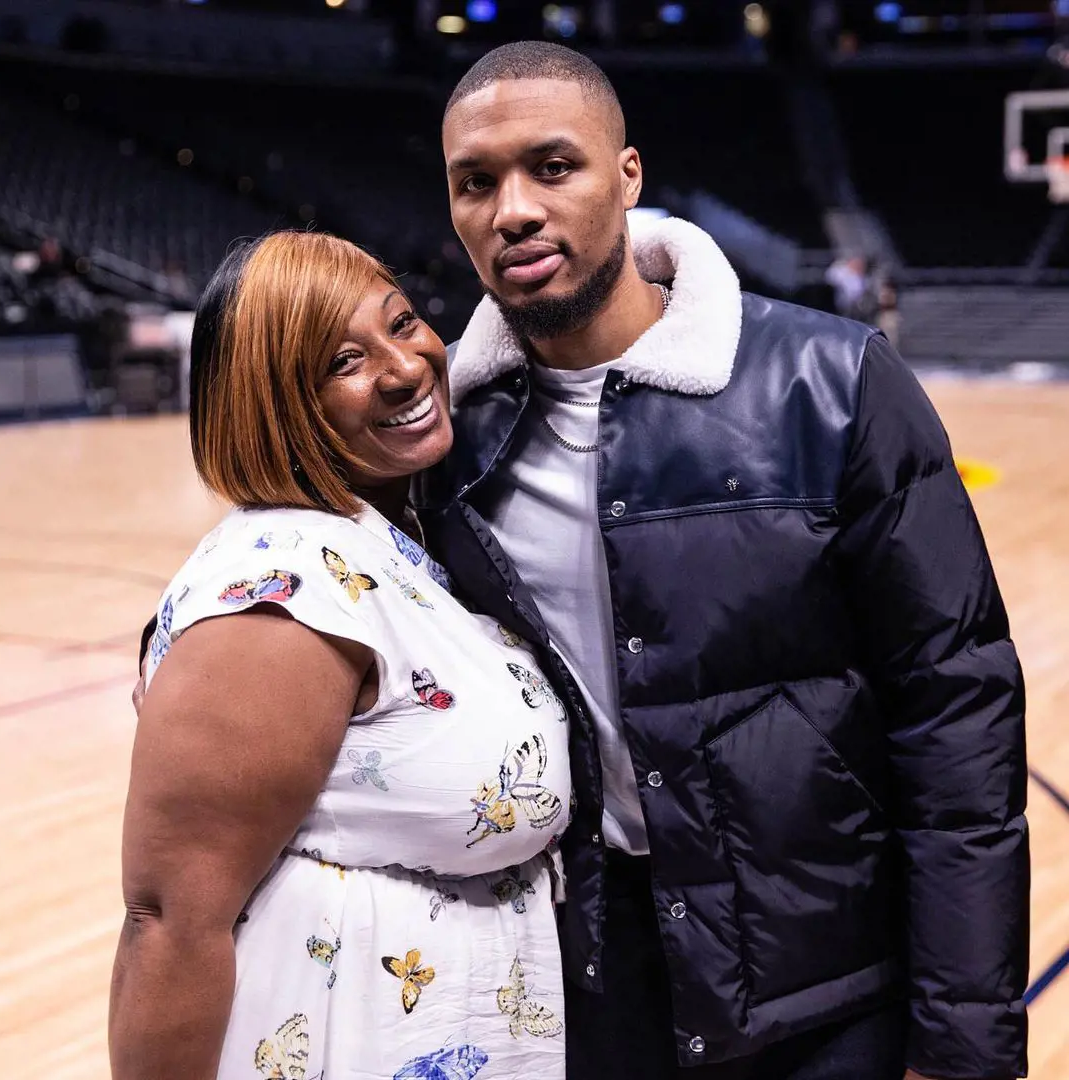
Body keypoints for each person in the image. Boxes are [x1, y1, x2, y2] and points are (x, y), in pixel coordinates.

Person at [411, 40, 1029, 1080]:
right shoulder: (450, 444)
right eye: (475, 183)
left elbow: (955, 715)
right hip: (589, 1000)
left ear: (629, 176)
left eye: (552, 167)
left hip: (832, 995)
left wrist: (964, 1042)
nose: (511, 209)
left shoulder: (834, 385)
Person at [112, 231, 570, 1080]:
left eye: (403, 324)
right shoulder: (279, 586)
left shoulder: (384, 536)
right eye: (342, 362)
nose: (404, 368)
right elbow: (170, 921)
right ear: (272, 402)